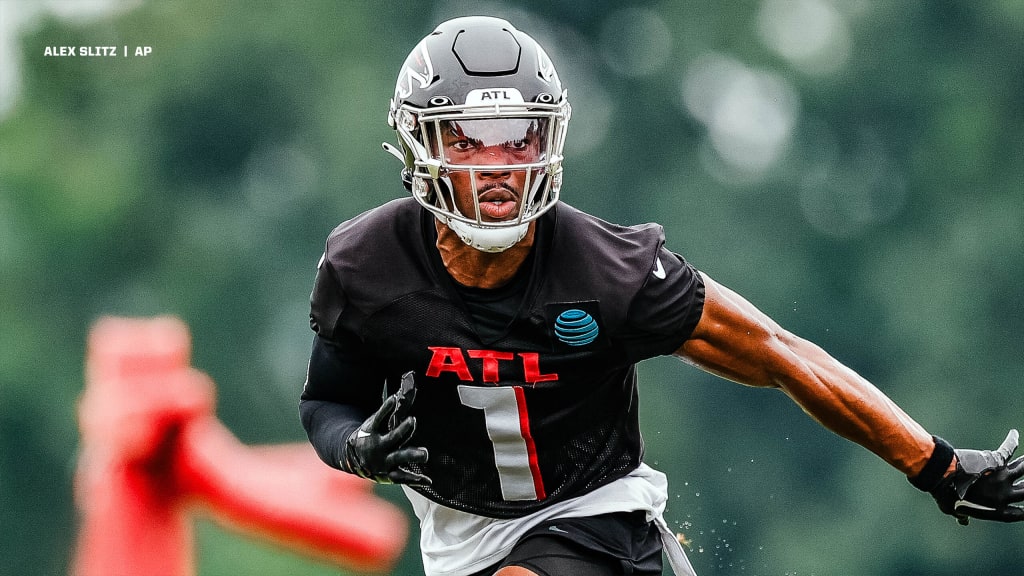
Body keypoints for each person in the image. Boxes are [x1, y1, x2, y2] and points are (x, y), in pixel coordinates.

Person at [299, 16, 1024, 576]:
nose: (499, 167)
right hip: (461, 537)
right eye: (470, 140)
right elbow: (324, 401)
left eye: (520, 140)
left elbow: (780, 354)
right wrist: (356, 449)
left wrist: (938, 464)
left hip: (595, 517)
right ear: (418, 146)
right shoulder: (364, 265)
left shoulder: (606, 271)